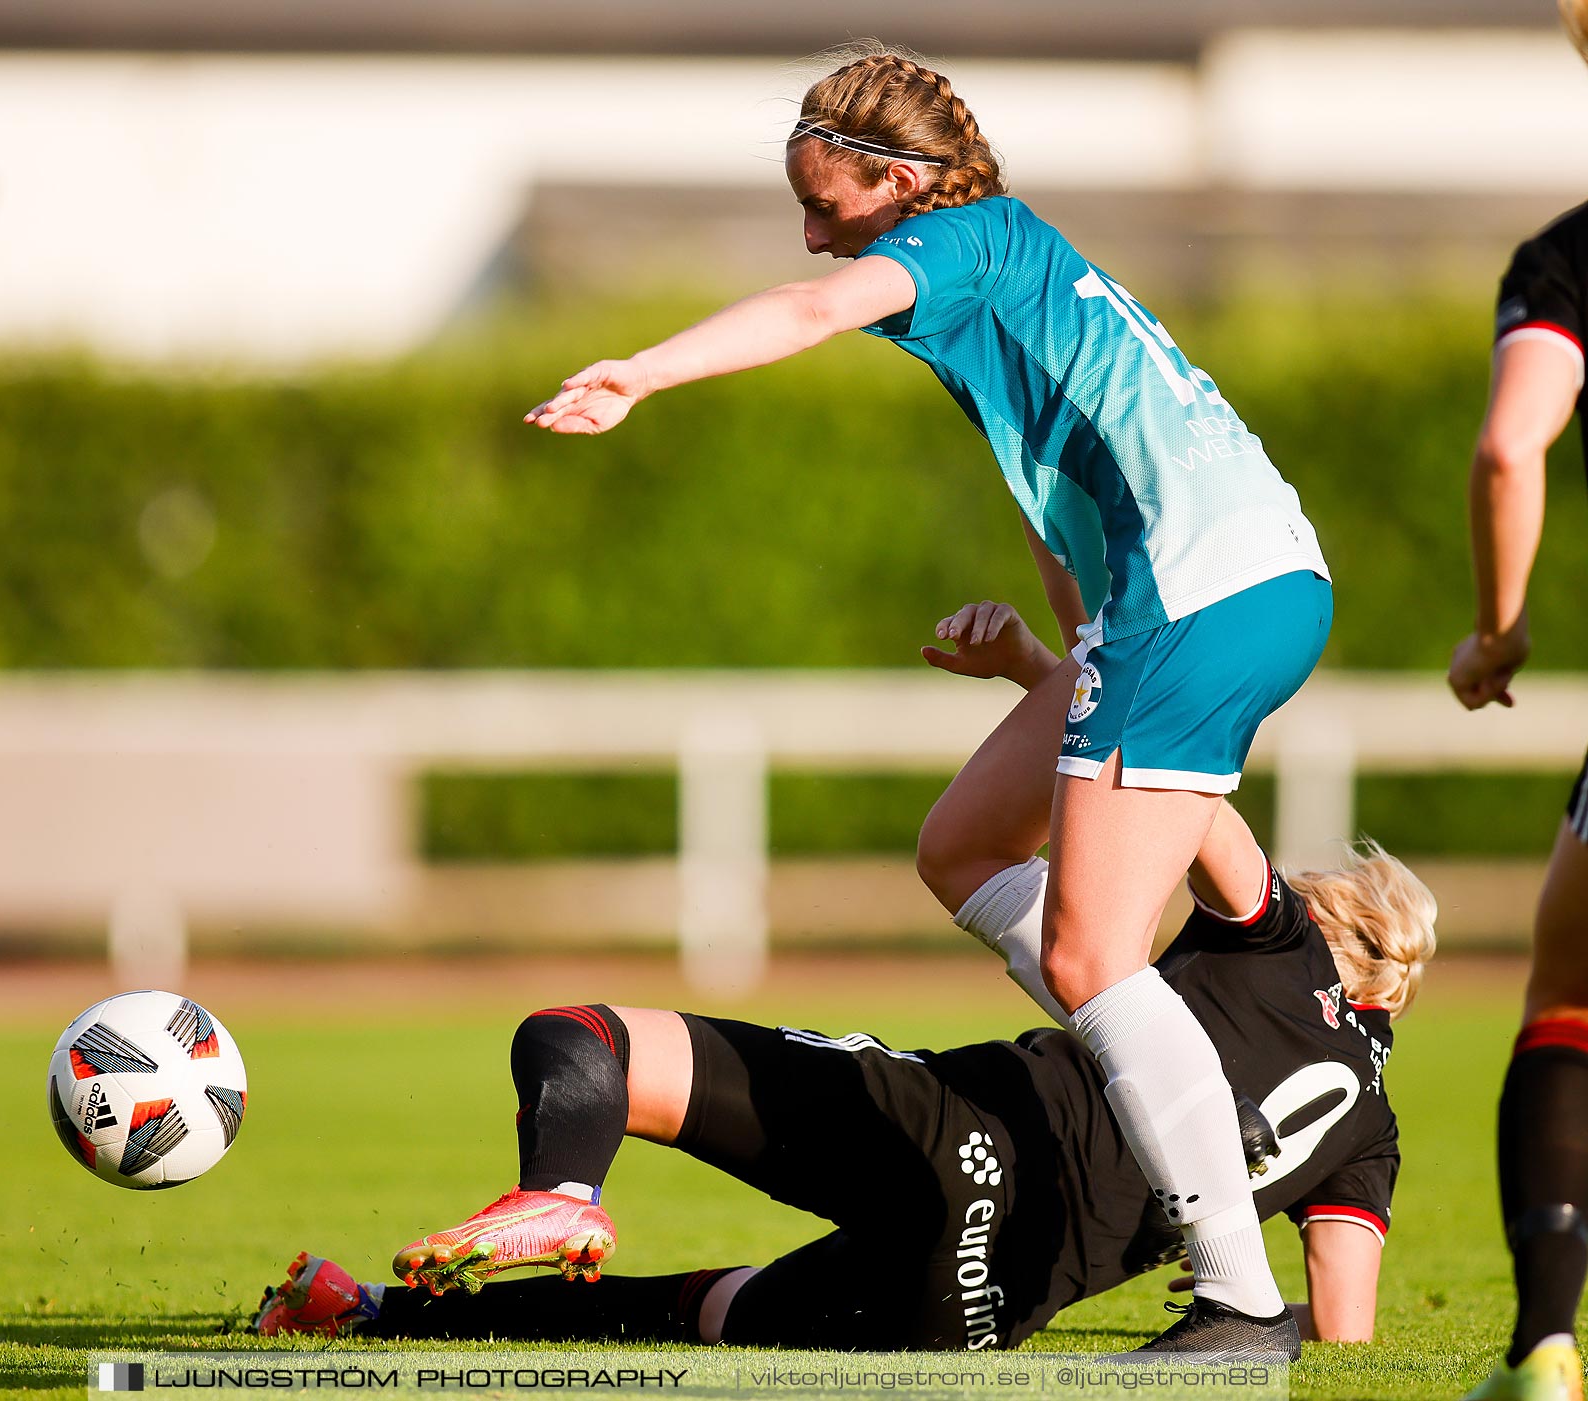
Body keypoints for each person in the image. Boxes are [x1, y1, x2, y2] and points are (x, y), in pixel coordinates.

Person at [523, 46, 1332, 1354]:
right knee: (963, 848)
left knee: (1089, 955)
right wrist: (1062, 662)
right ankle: (1160, 1080)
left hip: (1204, 598)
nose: (811, 229)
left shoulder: (957, 244)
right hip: (1246, 585)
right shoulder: (1021, 265)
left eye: (825, 202)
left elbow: (799, 312)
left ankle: (1236, 1293)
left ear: (900, 183)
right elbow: (1068, 504)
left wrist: (636, 372)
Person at [249, 800, 1434, 1357]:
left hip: (953, 1139)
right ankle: (368, 1315)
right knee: (705, 1314)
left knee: (581, 1039)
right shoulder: (1371, 1135)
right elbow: (1343, 1329)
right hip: (971, 1315)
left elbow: (1187, 802)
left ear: (1331, 929)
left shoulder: (1280, 944)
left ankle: (559, 1194)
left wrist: (1053, 669)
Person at [1449, 10, 1588, 1400]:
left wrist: (1499, 633)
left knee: (1569, 999)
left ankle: (1547, 1343)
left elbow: (1508, 445)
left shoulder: (1566, 261)